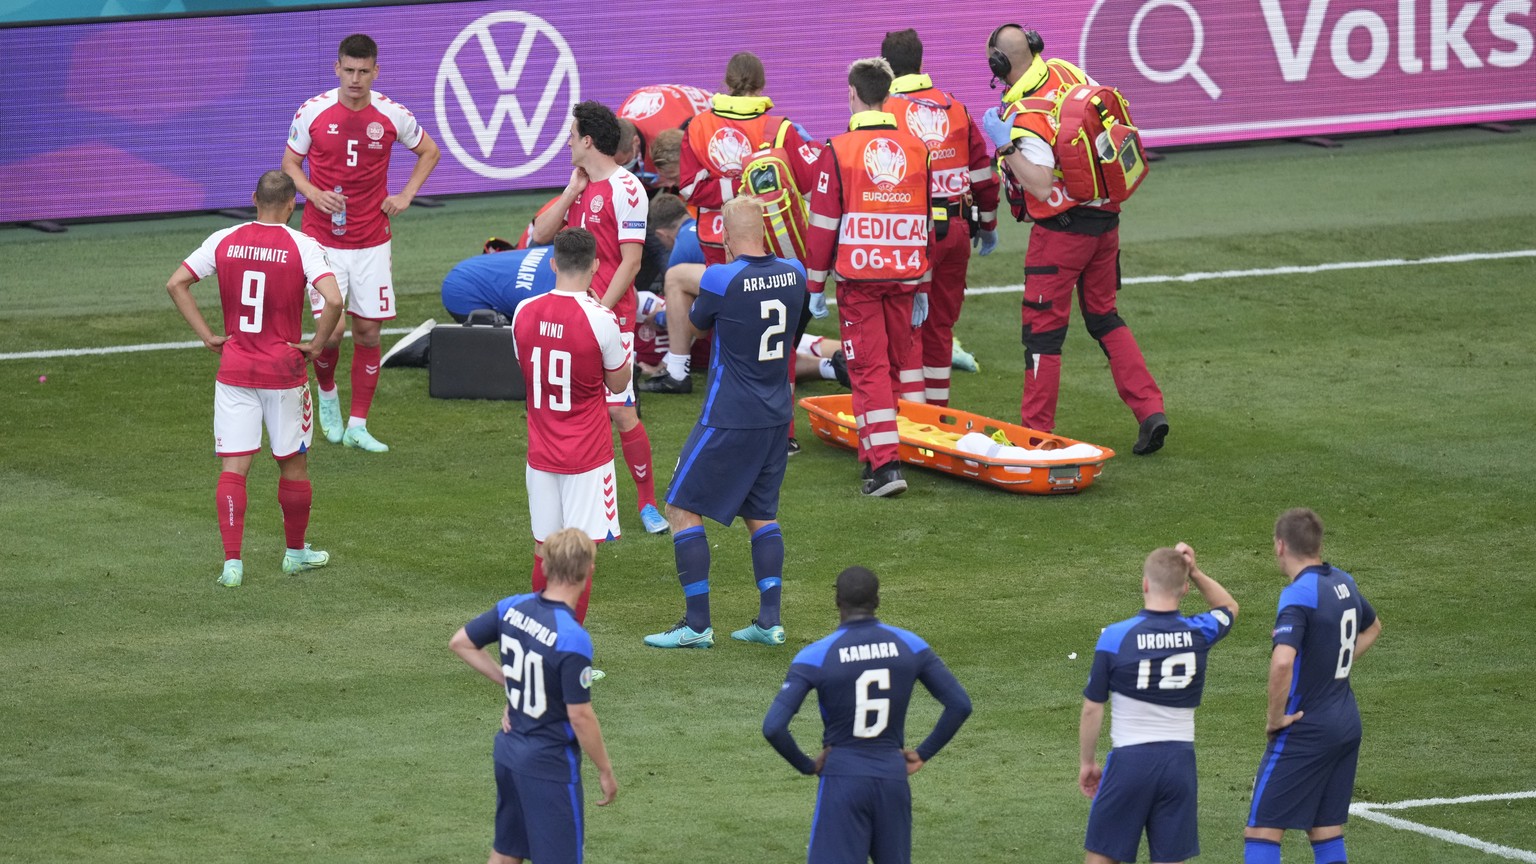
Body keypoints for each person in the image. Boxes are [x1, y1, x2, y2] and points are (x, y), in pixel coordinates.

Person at [979, 24, 1167, 454]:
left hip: (1060, 235)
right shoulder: (1066, 70)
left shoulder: (1023, 117)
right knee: (1104, 318)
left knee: (1042, 336)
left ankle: (1035, 434)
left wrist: (1007, 147)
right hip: (1106, 219)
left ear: (999, 64)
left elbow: (1041, 186)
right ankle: (1151, 410)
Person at [165, 170, 344, 588]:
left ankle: (232, 564)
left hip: (235, 371)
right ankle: (295, 554)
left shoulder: (224, 238)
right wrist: (317, 344)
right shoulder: (303, 246)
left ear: (253, 198)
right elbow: (334, 298)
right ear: (291, 204)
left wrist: (208, 335)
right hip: (283, 373)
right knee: (293, 465)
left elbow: (176, 283)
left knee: (234, 467)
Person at [643, 197, 805, 650]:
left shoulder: (720, 277)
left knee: (679, 505)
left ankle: (696, 626)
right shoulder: (794, 272)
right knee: (761, 514)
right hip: (776, 416)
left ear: (728, 239)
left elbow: (695, 324)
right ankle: (769, 622)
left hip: (730, 415)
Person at [282, 33, 440, 453]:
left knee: (368, 333)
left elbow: (429, 151)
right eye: (348, 70)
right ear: (337, 69)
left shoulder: (391, 114)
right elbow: (290, 164)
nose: (355, 79)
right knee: (330, 336)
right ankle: (328, 396)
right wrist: (312, 193)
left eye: (363, 71)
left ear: (375, 71)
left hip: (372, 240)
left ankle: (358, 425)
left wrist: (406, 195)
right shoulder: (313, 111)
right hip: (322, 241)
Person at [763, 565, 972, 864]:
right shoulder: (911, 646)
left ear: (838, 602)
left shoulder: (816, 655)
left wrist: (808, 765)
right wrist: (923, 753)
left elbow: (773, 727)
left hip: (842, 778)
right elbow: (960, 704)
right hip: (892, 777)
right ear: (877, 601)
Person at [529, 101, 667, 535]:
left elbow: (630, 262)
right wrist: (570, 192)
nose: (567, 142)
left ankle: (646, 504)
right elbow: (538, 234)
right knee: (569, 409)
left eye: (571, 135)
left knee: (620, 412)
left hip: (611, 318)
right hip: (573, 318)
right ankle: (573, 501)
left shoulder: (627, 190)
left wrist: (599, 313)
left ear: (588, 140)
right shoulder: (580, 184)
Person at [805, 57, 939, 497]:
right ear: (888, 94)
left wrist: (813, 285)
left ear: (852, 92)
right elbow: (926, 217)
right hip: (904, 276)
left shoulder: (838, 149)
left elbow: (823, 224)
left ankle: (884, 467)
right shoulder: (917, 148)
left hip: (858, 278)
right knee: (890, 369)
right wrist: (924, 281)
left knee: (868, 371)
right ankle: (874, 459)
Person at [449, 527, 618, 864]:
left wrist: (512, 683)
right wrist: (605, 769)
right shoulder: (573, 637)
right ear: (589, 571)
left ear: (544, 567)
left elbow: (461, 643)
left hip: (508, 753)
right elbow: (580, 715)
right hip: (549, 766)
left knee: (507, 852)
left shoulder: (512, 607)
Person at [1079, 544, 1238, 864]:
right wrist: (1194, 569)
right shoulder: (1198, 632)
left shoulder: (1115, 637)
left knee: (1102, 857)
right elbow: (1229, 606)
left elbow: (1092, 707)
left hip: (1130, 762)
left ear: (1145, 584)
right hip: (1179, 764)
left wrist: (1088, 763)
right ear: (1184, 589)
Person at [1244, 509, 1382, 864]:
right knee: (1325, 830)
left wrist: (1275, 718)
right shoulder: (1344, 581)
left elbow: (1283, 661)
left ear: (1279, 546)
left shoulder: (1299, 594)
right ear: (1318, 544)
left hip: (1306, 727)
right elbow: (1373, 627)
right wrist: (1334, 664)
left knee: (1262, 831)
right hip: (1346, 722)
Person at [511, 228, 632, 624]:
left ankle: (540, 641)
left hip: (540, 452)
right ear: (596, 265)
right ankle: (566, 650)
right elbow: (618, 383)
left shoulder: (524, 312)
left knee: (544, 551)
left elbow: (525, 370)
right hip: (587, 457)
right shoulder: (601, 320)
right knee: (580, 555)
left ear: (553, 263)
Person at [881, 28, 1001, 406]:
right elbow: (983, 174)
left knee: (910, 325)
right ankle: (936, 415)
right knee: (941, 328)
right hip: (958, 231)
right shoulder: (955, 107)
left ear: (886, 66)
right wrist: (990, 224)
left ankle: (914, 421)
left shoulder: (884, 111)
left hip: (913, 234)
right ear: (921, 61)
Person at [678, 51, 820, 268]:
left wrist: (735, 187)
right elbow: (812, 189)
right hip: (768, 235)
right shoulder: (780, 129)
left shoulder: (697, 126)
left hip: (718, 237)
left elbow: (690, 189)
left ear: (727, 82)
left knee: (725, 298)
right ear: (762, 86)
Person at [619, 83, 712, 189]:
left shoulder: (678, 133)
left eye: (625, 163)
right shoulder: (614, 127)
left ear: (635, 143)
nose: (623, 169)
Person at [440, 244, 556, 323]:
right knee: (503, 347)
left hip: (472, 267)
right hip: (462, 291)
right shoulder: (546, 298)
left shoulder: (563, 249)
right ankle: (426, 346)